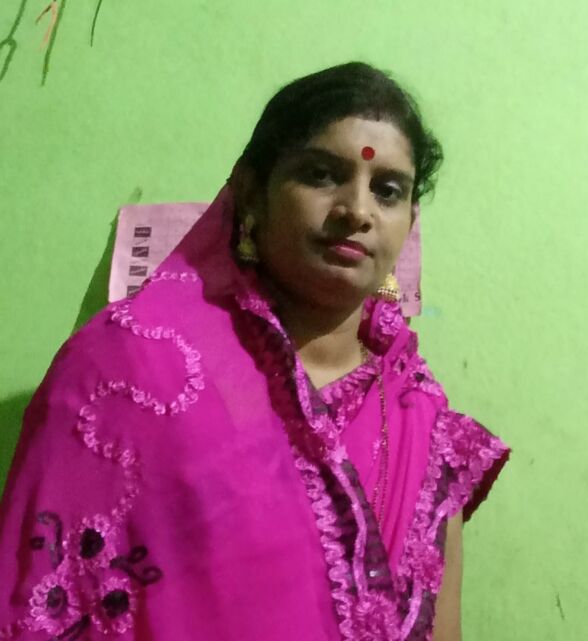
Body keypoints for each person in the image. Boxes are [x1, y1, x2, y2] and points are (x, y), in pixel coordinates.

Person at [0, 62, 509, 641]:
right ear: (250, 192)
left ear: (409, 221)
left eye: (387, 190)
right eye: (321, 175)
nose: (357, 210)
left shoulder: (425, 424)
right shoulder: (127, 369)